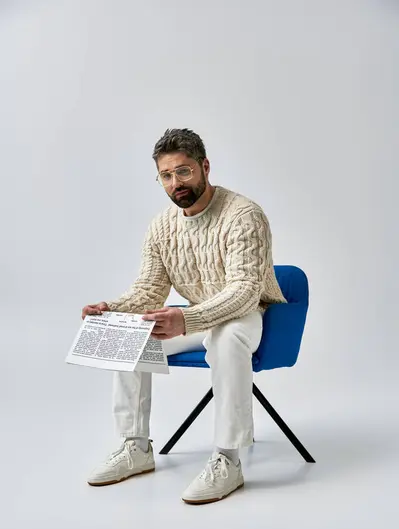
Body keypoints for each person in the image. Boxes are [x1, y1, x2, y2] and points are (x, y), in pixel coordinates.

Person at [82, 128, 286, 504]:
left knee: (225, 339)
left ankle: (228, 459)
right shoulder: (162, 227)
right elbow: (149, 290)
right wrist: (111, 309)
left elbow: (243, 291)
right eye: (166, 176)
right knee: (129, 332)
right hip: (197, 315)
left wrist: (187, 319)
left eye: (184, 171)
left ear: (204, 166)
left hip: (246, 314)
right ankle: (136, 448)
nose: (176, 183)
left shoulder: (244, 214)